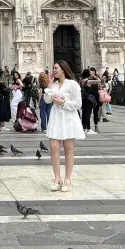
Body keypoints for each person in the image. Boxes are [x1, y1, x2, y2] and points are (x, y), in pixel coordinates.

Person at [44, 60, 85, 192]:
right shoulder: (54, 84)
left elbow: (78, 104)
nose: (53, 70)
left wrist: (62, 102)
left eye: (55, 68)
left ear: (63, 69)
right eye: (53, 68)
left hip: (68, 118)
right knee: (54, 147)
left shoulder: (72, 84)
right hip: (56, 118)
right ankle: (57, 178)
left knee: (68, 149)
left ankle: (67, 179)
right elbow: (47, 100)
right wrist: (49, 84)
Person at [79, 69, 100, 135]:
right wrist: (93, 75)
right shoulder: (89, 81)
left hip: (83, 98)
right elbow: (99, 80)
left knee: (84, 113)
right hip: (88, 99)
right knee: (88, 114)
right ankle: (88, 129)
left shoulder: (81, 80)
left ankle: (84, 128)